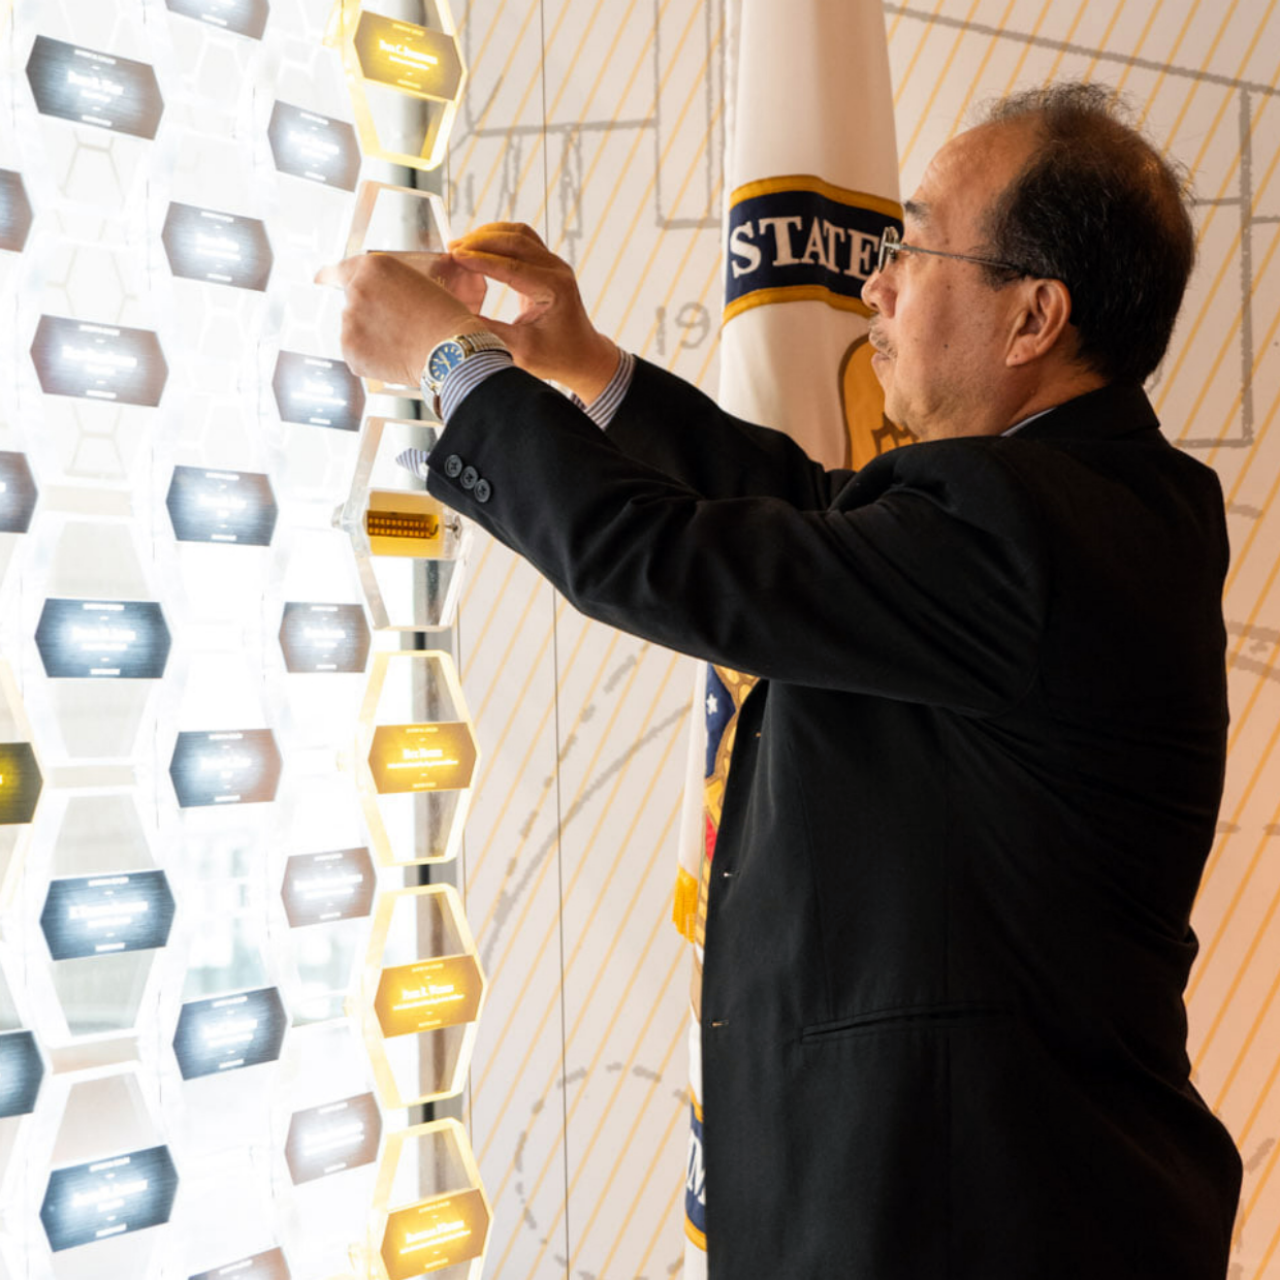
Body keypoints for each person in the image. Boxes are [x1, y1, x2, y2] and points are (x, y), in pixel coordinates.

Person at [324, 83, 1242, 1280]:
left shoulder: (1035, 528)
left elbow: (675, 563)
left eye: (911, 244)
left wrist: (456, 366)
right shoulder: (1079, 503)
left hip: (980, 1223)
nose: (876, 282)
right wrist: (589, 365)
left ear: (1032, 316)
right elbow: (805, 513)